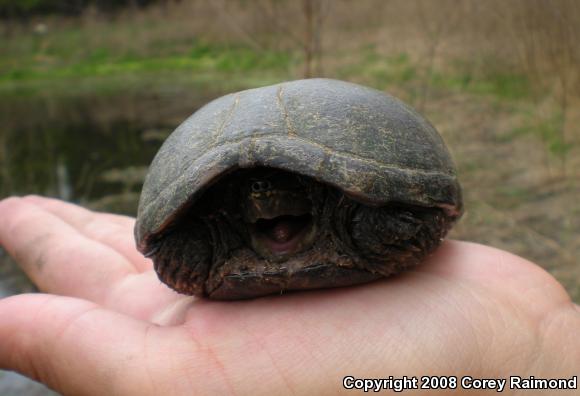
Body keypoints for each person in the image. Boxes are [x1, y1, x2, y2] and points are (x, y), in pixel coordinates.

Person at [0, 195, 578, 396]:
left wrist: (539, 363)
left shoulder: (367, 221)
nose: (271, 215)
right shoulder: (209, 240)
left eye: (285, 209)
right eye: (258, 211)